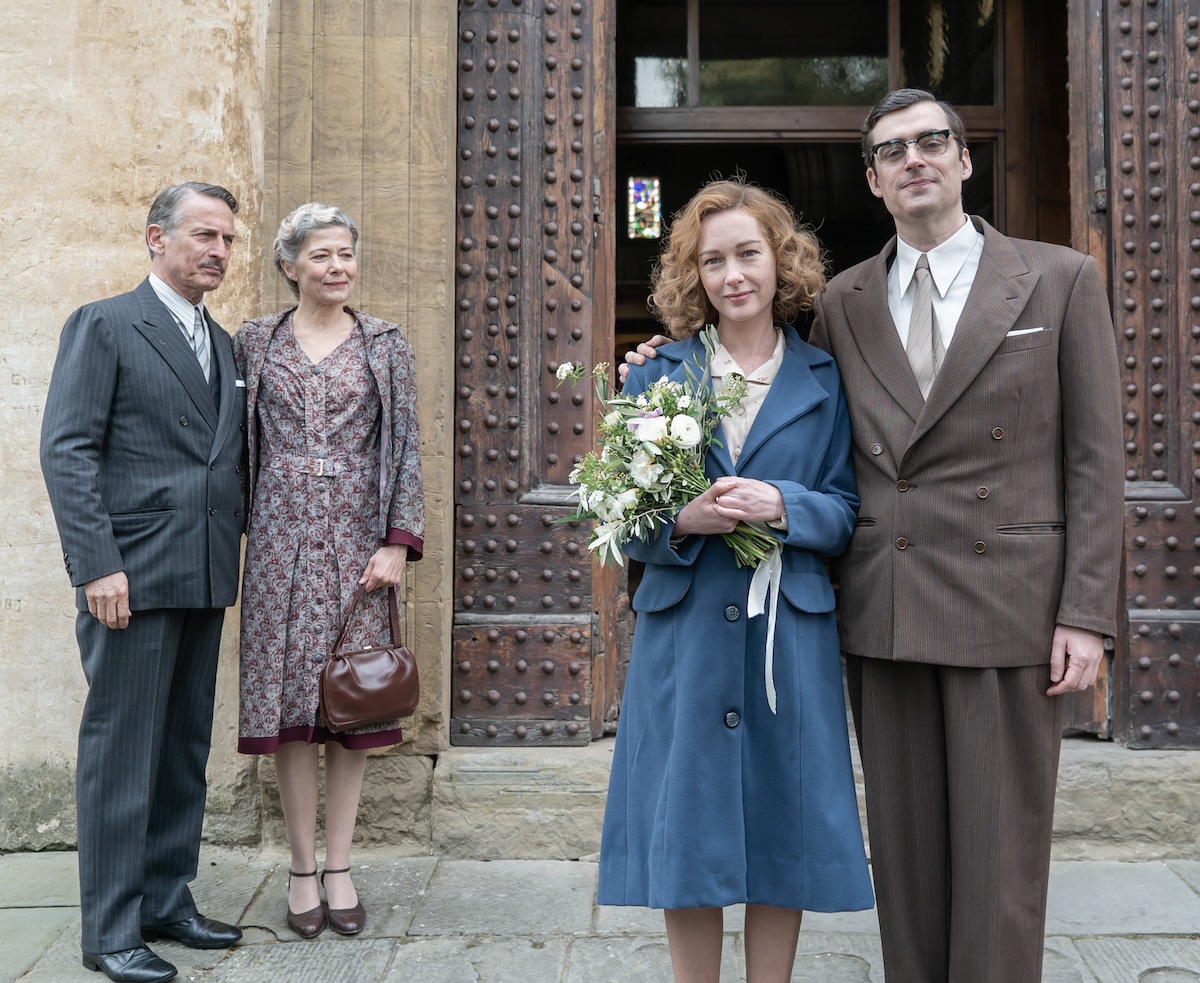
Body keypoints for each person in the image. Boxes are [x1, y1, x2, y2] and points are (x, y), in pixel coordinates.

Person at [625, 89, 1124, 983]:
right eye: (893, 151)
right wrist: (649, 374)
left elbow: (1095, 459)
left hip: (1007, 603)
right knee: (905, 859)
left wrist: (1086, 612)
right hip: (884, 611)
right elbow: (793, 420)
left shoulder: (1058, 280)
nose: (914, 159)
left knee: (1001, 861)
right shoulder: (847, 303)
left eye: (932, 141)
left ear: (965, 161)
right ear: (874, 180)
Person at [599, 178, 873, 983]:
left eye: (747, 253)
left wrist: (785, 504)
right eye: (712, 260)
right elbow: (623, 512)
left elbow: (848, 508)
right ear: (695, 275)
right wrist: (682, 521)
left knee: (779, 820)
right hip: (684, 633)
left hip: (788, 629)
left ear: (779, 260)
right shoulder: (655, 373)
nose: (732, 275)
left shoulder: (826, 378)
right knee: (688, 822)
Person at [40, 183, 246, 983]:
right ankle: (111, 929)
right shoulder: (104, 324)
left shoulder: (224, 344)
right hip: (126, 576)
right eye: (204, 235)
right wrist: (96, 564)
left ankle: (166, 898)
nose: (219, 251)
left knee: (181, 748)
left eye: (228, 239)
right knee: (122, 752)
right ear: (155, 238)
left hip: (201, 572)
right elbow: (68, 449)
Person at [233, 203, 424, 941]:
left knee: (354, 705)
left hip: (357, 546)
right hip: (278, 543)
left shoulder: (384, 344)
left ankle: (341, 866)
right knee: (288, 713)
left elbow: (406, 445)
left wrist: (397, 544)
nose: (338, 266)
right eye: (321, 256)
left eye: (346, 253)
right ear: (290, 266)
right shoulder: (254, 343)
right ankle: (301, 867)